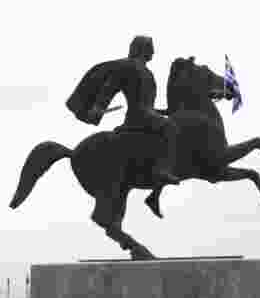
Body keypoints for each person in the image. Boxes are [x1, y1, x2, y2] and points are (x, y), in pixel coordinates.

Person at [65, 35, 181, 217]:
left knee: (171, 124)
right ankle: (161, 170)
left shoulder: (147, 71)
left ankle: (155, 193)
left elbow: (149, 103)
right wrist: (98, 107)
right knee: (170, 127)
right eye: (150, 48)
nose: (153, 52)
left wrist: (165, 111)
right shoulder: (128, 66)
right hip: (138, 116)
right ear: (142, 49)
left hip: (148, 114)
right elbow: (110, 87)